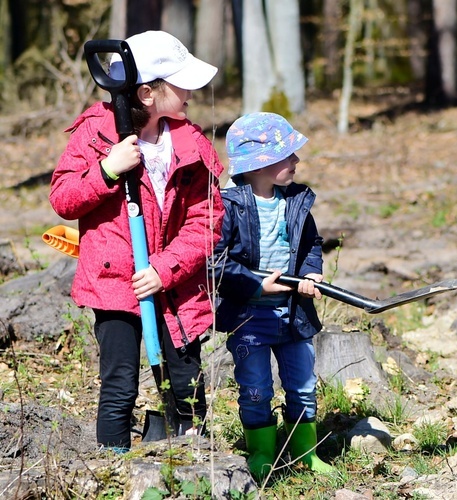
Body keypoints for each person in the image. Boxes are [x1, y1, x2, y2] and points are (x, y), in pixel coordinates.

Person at [49, 30, 224, 452]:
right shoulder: (95, 134)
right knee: (119, 386)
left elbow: (207, 218)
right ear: (147, 93)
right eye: (182, 85)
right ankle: (112, 468)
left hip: (175, 286)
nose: (192, 94)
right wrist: (107, 171)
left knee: (186, 384)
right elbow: (63, 198)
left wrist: (166, 270)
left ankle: (192, 463)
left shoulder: (190, 143)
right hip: (114, 285)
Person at [211, 112, 335, 480]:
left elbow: (311, 242)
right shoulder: (229, 207)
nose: (296, 161)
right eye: (288, 155)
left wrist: (311, 271)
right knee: (255, 387)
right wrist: (254, 285)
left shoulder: (294, 201)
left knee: (302, 385)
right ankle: (262, 453)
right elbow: (216, 262)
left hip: (293, 312)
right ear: (259, 164)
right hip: (250, 316)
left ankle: (305, 454)